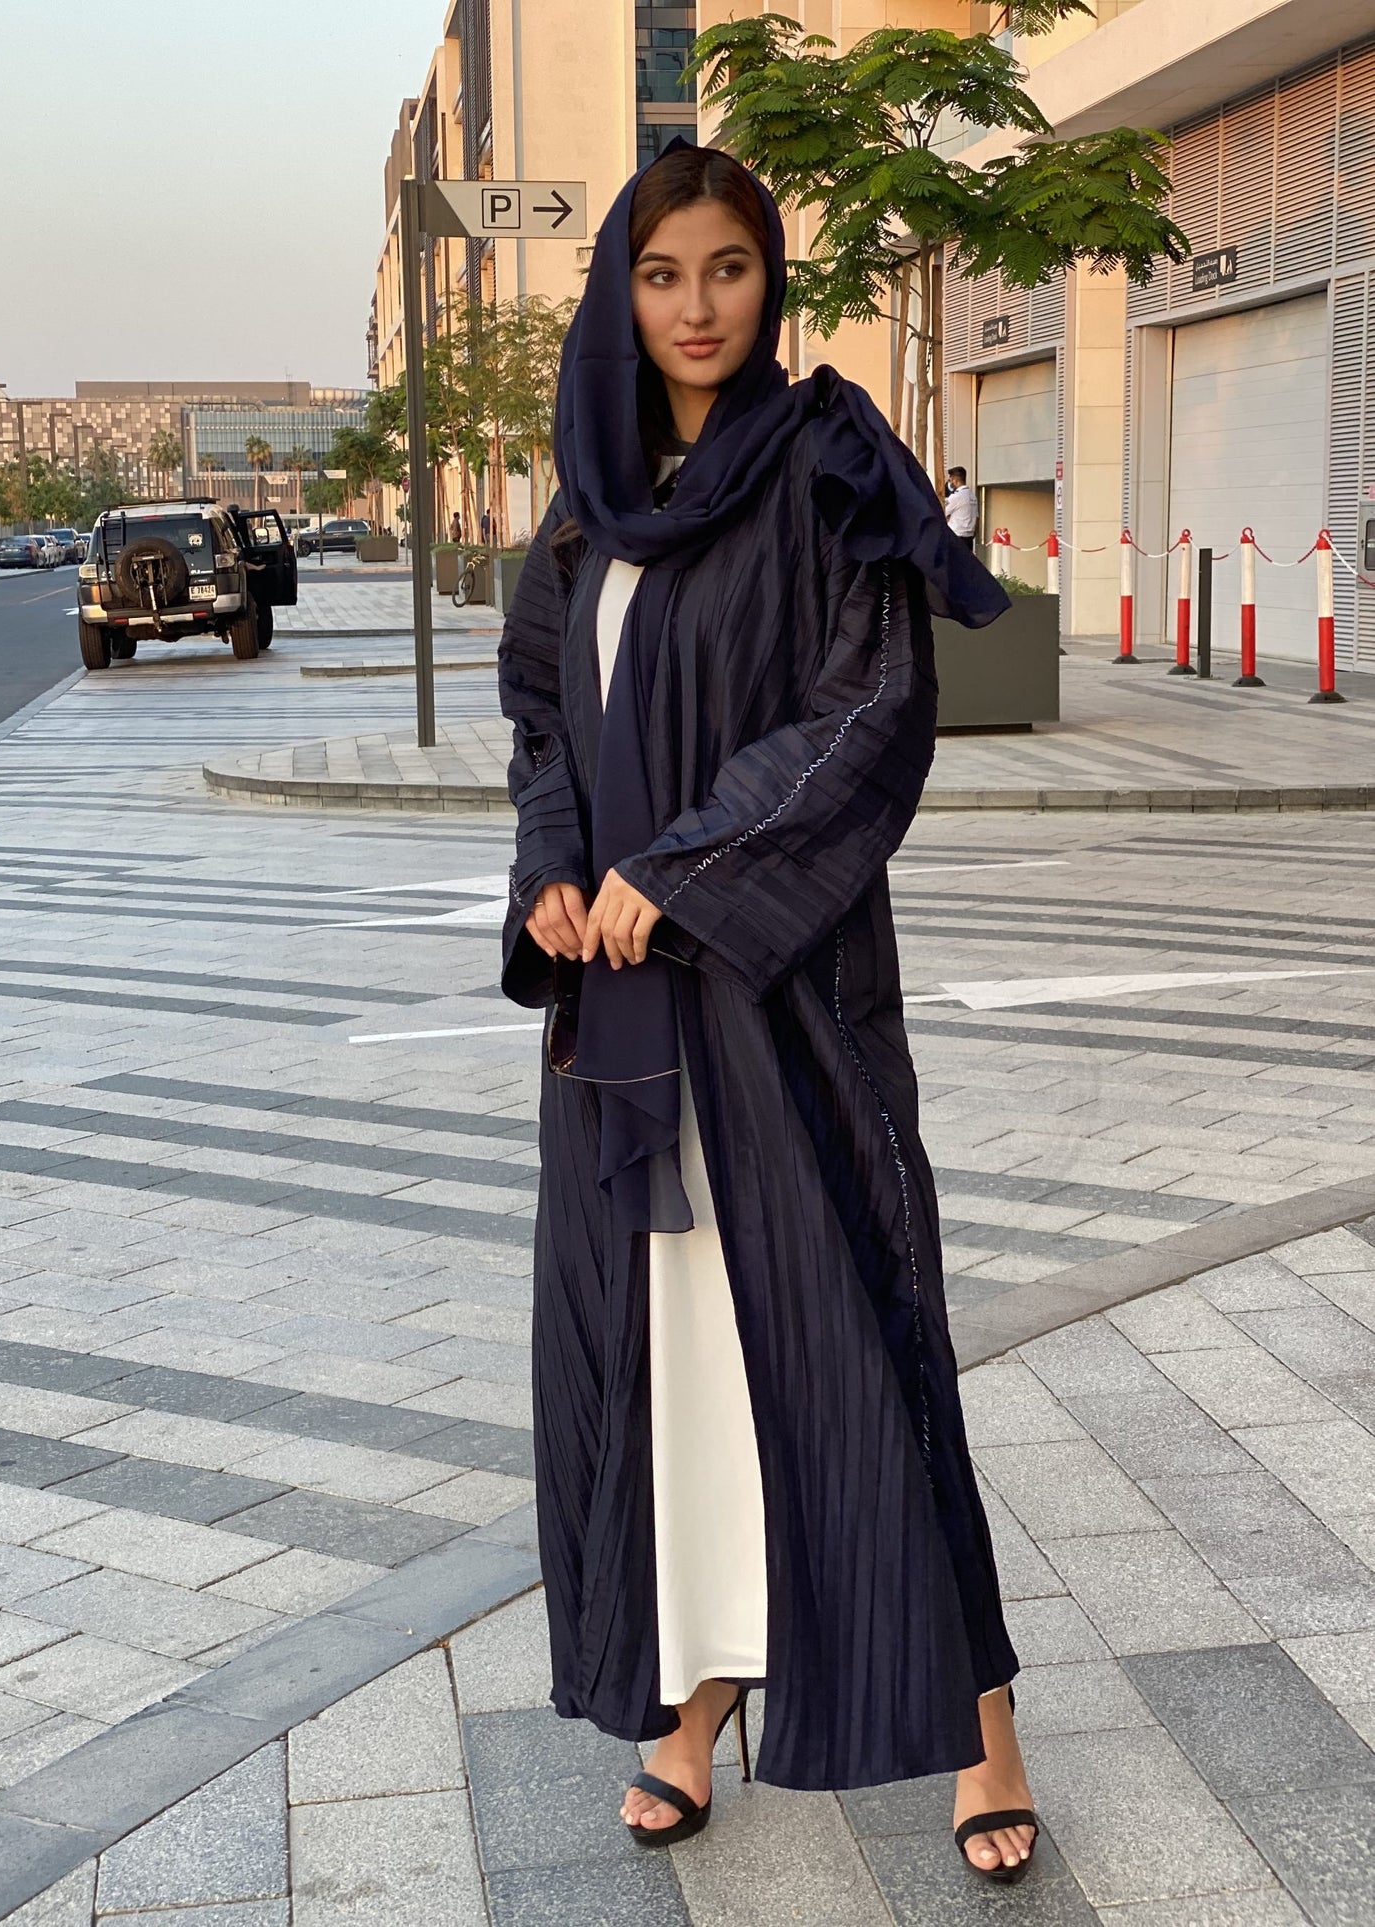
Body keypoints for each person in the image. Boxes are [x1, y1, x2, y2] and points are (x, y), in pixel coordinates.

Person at [497, 138, 1039, 1883]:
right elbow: (542, 720)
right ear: (621, 293)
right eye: (661, 275)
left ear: (770, 277)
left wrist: (689, 865)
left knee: (856, 1341)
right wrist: (558, 870)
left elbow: (870, 705)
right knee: (667, 1357)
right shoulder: (586, 503)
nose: (696, 307)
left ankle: (981, 1723)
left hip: (782, 1008)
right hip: (622, 1026)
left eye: (726, 269)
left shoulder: (821, 467)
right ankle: (696, 1693)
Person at [944, 466, 978, 550]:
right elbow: (977, 518)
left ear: (955, 480)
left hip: (956, 537)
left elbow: (942, 512)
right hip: (969, 538)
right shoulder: (972, 496)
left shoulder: (956, 496)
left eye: (950, 480)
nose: (949, 483)